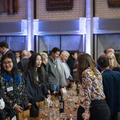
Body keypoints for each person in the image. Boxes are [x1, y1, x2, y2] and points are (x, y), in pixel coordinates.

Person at [77, 53, 110, 120]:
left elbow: (87, 93)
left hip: (96, 108)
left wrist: (86, 111)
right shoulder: (96, 71)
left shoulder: (86, 73)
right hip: (103, 105)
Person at [0, 54, 29, 119]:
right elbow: (3, 95)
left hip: (22, 106)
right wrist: (14, 105)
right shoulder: (1, 78)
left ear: (13, 62)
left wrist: (26, 102)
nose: (7, 65)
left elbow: (23, 88)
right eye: (4, 63)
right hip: (9, 110)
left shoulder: (19, 74)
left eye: (9, 62)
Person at [24, 53, 49, 117]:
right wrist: (33, 100)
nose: (39, 62)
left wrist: (46, 92)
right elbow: (28, 88)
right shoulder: (28, 72)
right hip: (33, 102)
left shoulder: (39, 71)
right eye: (37, 60)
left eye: (40, 60)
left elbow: (42, 84)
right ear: (33, 60)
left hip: (40, 100)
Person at [97, 56, 120, 120]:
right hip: (118, 106)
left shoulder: (100, 77)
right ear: (109, 63)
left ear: (99, 65)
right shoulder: (118, 74)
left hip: (107, 107)